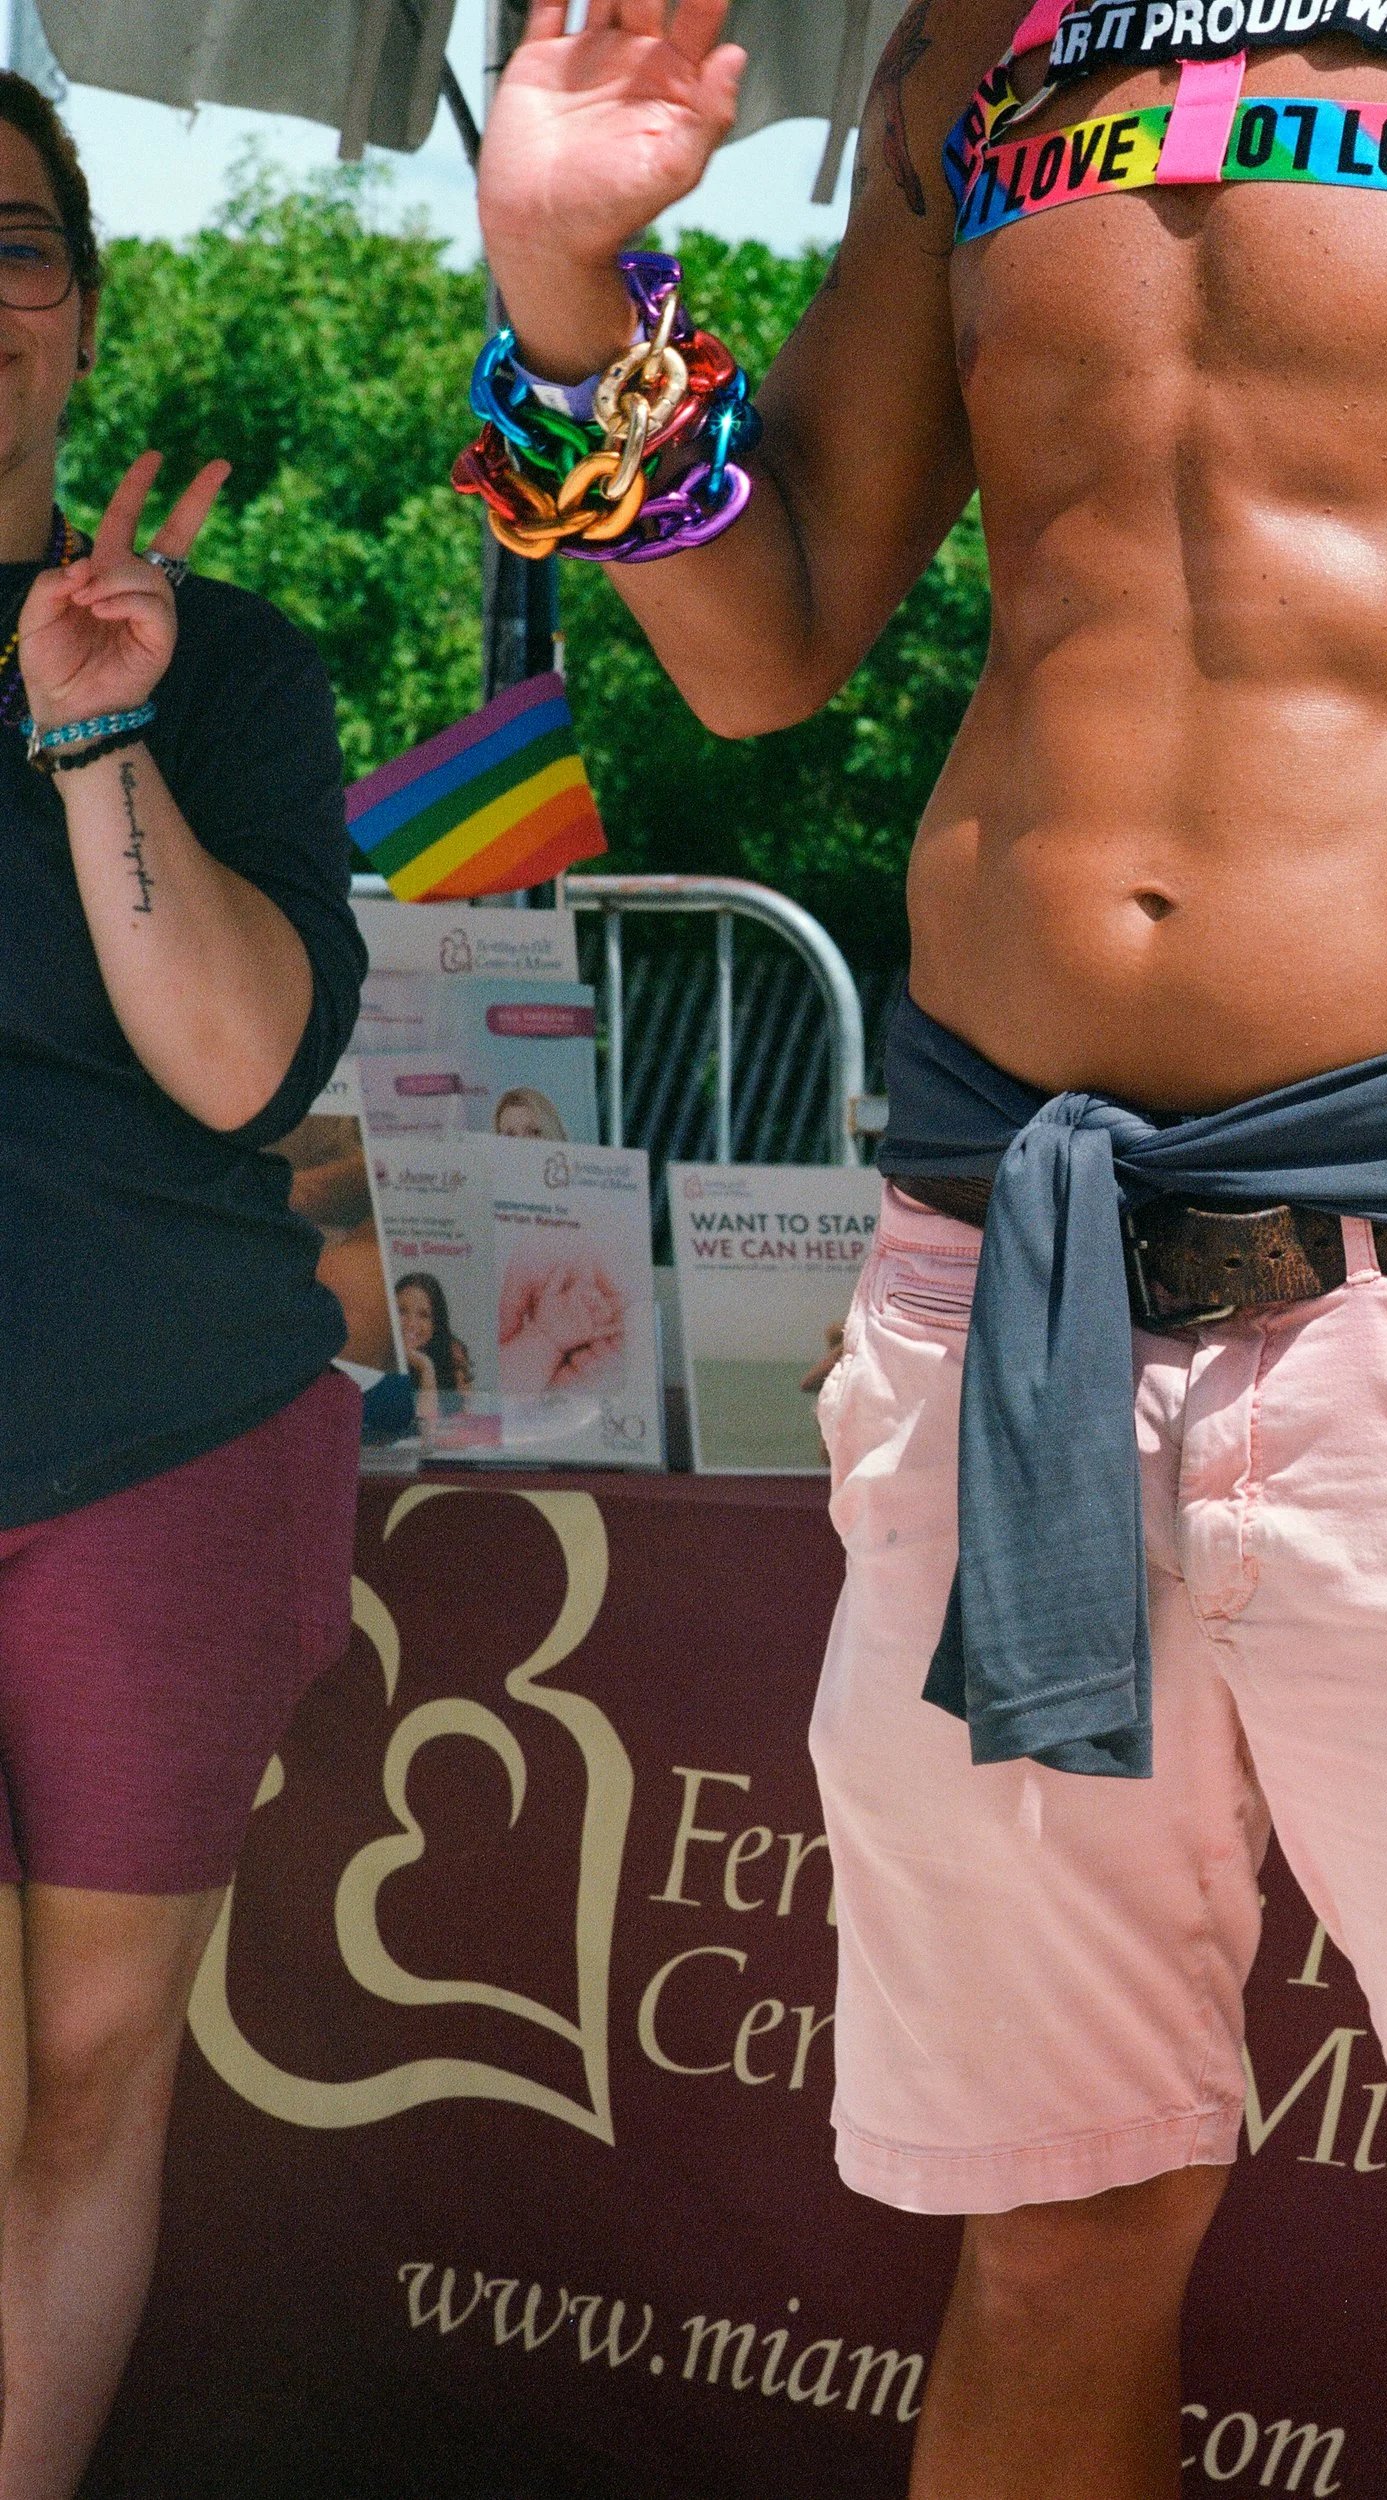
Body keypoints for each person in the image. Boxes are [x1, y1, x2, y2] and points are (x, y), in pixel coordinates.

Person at [475, 3, 1387, 2492]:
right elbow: (769, 643)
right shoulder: (970, 53)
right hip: (1005, 1281)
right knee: (1052, 2227)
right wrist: (563, 289)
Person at [0, 74, 364, 2500]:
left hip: (161, 1443)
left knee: (83, 2075)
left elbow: (240, 1070)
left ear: (83, 308)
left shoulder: (218, 667)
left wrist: (92, 732)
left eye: (12, 248)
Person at [395, 1270, 471, 1415]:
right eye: (402, 1311)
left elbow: (431, 1429)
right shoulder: (375, 1354)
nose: (411, 1323)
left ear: (436, 1323)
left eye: (423, 1315)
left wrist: (425, 1368)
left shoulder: (453, 1353)